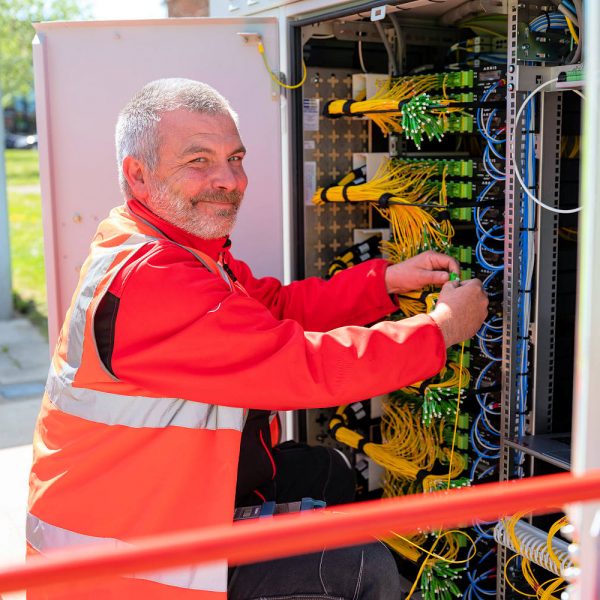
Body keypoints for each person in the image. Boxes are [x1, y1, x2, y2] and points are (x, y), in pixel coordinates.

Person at [27, 78, 488, 599]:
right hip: (129, 564)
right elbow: (305, 368)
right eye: (198, 161)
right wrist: (440, 328)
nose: (229, 180)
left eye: (236, 158)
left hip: (160, 497)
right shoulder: (152, 278)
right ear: (138, 174)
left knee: (327, 472)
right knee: (364, 569)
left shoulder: (173, 247)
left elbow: (273, 309)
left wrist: (382, 283)